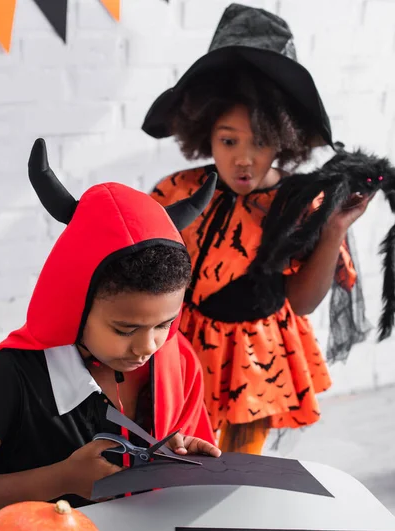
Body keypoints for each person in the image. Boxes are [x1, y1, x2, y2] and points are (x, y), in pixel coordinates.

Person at [142, 4, 371, 454]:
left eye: (261, 142)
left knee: (241, 469)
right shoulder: (175, 192)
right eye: (229, 141)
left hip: (258, 359)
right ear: (205, 133)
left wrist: (333, 229)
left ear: (284, 140)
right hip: (184, 353)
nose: (243, 159)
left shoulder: (302, 205)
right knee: (180, 457)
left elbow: (302, 301)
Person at [0, 138, 220, 511]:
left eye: (165, 324)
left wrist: (179, 458)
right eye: (125, 330)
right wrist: (60, 479)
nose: (148, 347)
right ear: (74, 306)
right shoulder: (8, 377)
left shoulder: (178, 364)